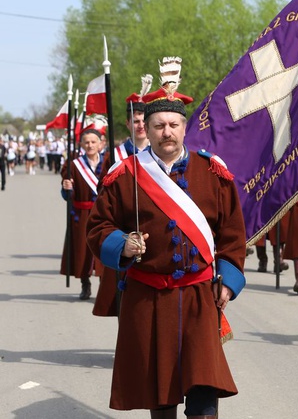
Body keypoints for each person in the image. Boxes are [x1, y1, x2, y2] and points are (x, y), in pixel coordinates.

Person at [87, 56, 246, 418]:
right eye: (158, 125)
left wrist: (230, 279)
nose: (166, 132)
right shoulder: (124, 175)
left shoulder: (212, 172)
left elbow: (233, 234)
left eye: (173, 124)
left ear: (185, 127)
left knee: (205, 396)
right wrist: (122, 245)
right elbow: (98, 227)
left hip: (199, 297)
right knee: (161, 398)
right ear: (147, 127)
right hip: (148, 298)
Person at [92, 75, 153, 318]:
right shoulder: (115, 155)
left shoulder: (157, 154)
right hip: (124, 228)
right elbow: (102, 191)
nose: (140, 125)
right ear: (128, 124)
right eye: (135, 120)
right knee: (122, 293)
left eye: (143, 121)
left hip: (149, 227)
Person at [61, 127, 105, 300]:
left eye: (93, 142)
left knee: (103, 249)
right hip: (81, 213)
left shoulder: (109, 161)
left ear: (101, 143)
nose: (90, 145)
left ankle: (104, 286)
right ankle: (85, 284)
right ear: (81, 144)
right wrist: (67, 189)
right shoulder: (74, 165)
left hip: (103, 213)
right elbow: (67, 195)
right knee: (82, 250)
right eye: (86, 142)